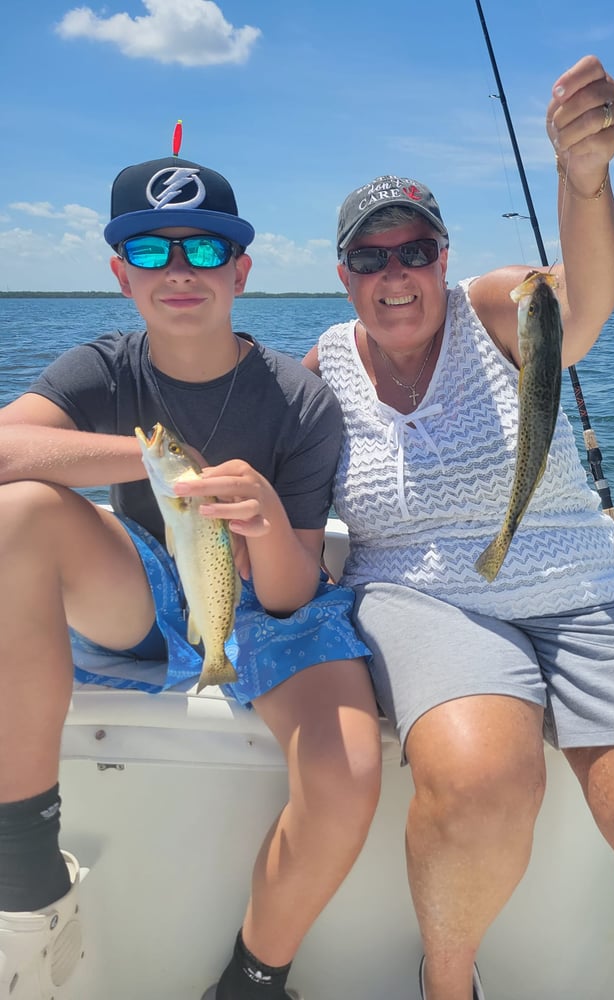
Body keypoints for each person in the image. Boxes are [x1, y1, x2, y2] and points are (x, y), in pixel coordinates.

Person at [302, 55, 614, 1000]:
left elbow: (585, 300)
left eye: (414, 250)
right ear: (343, 273)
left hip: (583, 583)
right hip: (418, 592)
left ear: (445, 257)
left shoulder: (503, 306)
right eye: (370, 257)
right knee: (478, 783)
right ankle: (448, 985)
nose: (395, 274)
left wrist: (583, 180)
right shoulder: (321, 369)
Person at [0, 150, 382, 1000]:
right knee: (18, 511)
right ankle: (25, 872)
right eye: (150, 251)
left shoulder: (300, 402)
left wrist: (269, 521)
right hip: (149, 589)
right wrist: (159, 462)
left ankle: (253, 977)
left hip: (273, 599)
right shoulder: (103, 368)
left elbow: (289, 594)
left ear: (241, 271)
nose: (179, 270)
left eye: (206, 251)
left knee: (348, 771)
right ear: (120, 275)